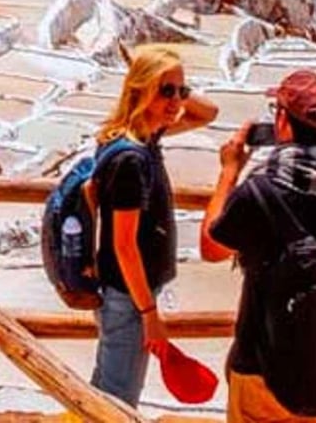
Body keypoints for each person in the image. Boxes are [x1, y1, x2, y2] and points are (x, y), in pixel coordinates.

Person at [200, 71, 316, 423]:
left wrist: (229, 170)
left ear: (282, 121)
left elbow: (213, 247)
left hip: (262, 371)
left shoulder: (262, 187)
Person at [90, 44, 219, 406]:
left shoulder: (141, 138)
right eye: (166, 90)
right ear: (141, 89)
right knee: (117, 402)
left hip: (127, 295)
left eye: (181, 90)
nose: (176, 100)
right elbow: (124, 245)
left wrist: (169, 87)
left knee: (106, 390)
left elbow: (209, 112)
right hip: (129, 298)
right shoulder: (130, 160)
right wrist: (149, 315)